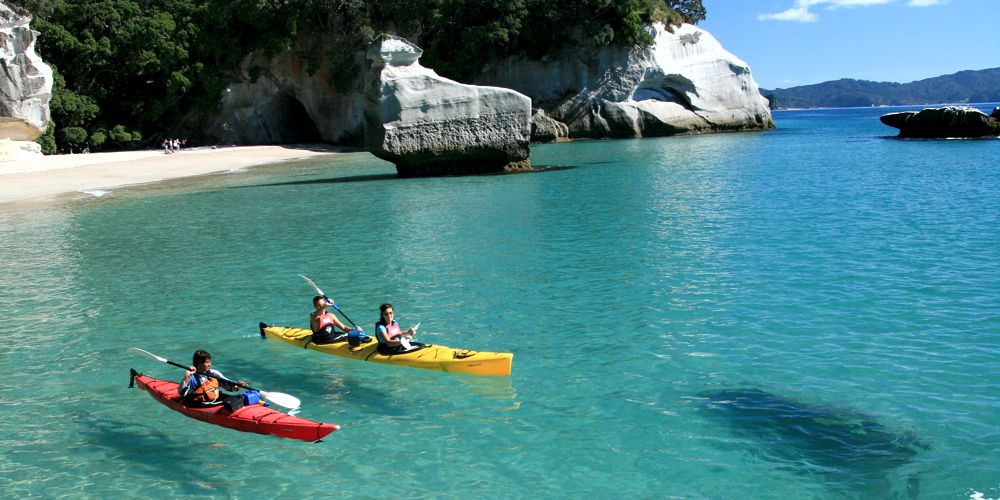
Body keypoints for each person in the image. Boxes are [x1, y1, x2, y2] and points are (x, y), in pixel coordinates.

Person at [179, 350, 244, 408]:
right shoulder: (192, 377)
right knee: (233, 402)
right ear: (199, 363)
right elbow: (182, 393)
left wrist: (237, 386)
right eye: (207, 362)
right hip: (200, 403)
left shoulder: (213, 373)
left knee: (240, 398)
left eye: (210, 362)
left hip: (215, 399)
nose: (209, 364)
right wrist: (187, 376)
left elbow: (227, 386)